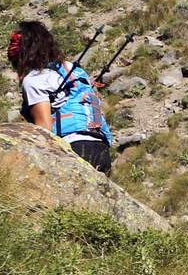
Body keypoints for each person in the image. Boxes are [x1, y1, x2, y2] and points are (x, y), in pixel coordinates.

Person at [7, 21, 114, 174]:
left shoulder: (34, 79)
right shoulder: (71, 69)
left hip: (72, 148)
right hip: (101, 149)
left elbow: (44, 128)